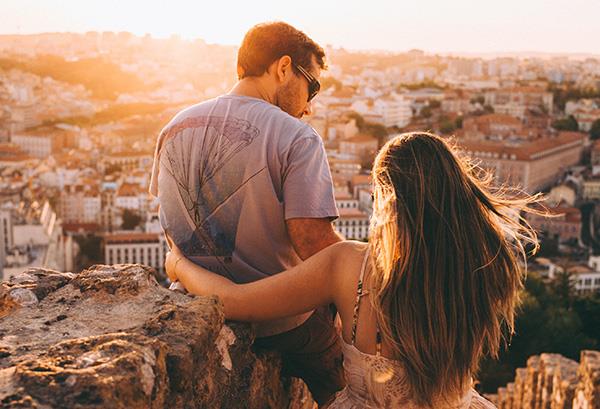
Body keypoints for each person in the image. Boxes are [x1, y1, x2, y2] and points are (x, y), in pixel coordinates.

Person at [165, 132, 543, 408]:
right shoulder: (488, 267)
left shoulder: (348, 265)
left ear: (386, 198)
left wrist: (179, 263)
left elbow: (234, 301)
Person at [149, 22, 345, 405]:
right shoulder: (297, 137)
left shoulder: (174, 127)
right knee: (347, 380)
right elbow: (313, 244)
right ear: (283, 68)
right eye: (313, 87)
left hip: (194, 303)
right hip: (282, 322)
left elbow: (171, 224)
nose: (309, 106)